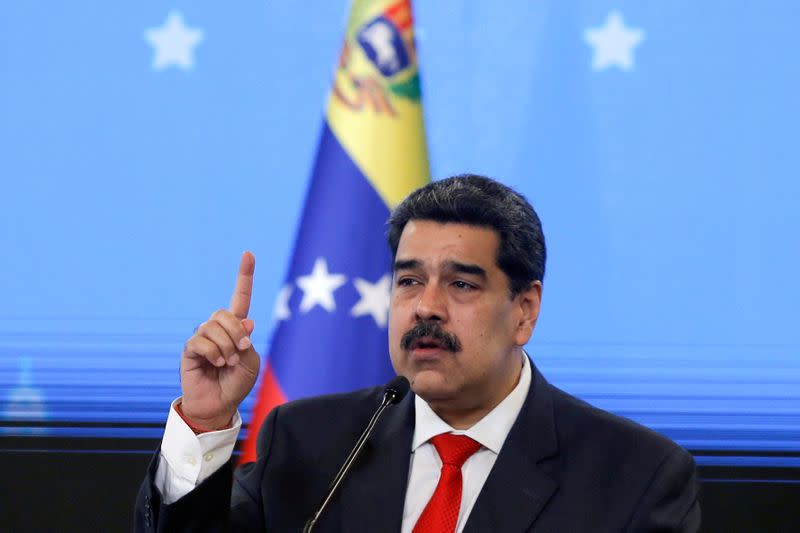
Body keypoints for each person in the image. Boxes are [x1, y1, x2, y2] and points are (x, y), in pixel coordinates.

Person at [135, 174, 701, 532]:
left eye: (461, 285)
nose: (425, 308)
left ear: (525, 311)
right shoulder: (307, 443)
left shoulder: (634, 477)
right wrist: (206, 422)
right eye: (408, 281)